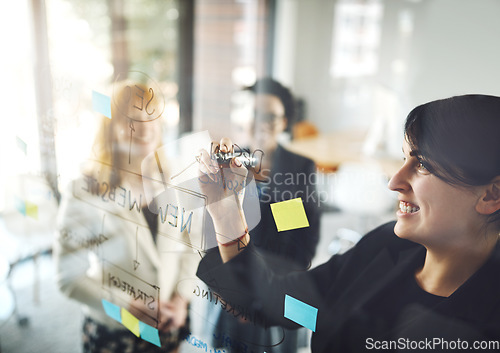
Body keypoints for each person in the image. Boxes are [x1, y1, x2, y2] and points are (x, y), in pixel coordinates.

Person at [196, 94, 500, 352]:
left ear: (491, 195)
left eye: (422, 164)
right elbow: (292, 306)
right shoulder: (386, 248)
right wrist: (226, 213)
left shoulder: (298, 165)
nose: (394, 181)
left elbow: (300, 233)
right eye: (404, 158)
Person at [54, 81, 199, 353]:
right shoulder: (84, 190)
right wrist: (126, 306)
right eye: (132, 119)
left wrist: (181, 299)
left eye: (150, 116)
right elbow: (68, 276)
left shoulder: (174, 176)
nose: (144, 128)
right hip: (116, 331)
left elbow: (192, 246)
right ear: (110, 129)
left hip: (169, 321)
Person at [203, 78, 320, 353]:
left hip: (276, 287)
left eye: (270, 116)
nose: (261, 123)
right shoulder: (230, 163)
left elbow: (299, 244)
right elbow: (210, 233)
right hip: (232, 289)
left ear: (285, 122)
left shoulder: (300, 167)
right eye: (254, 114)